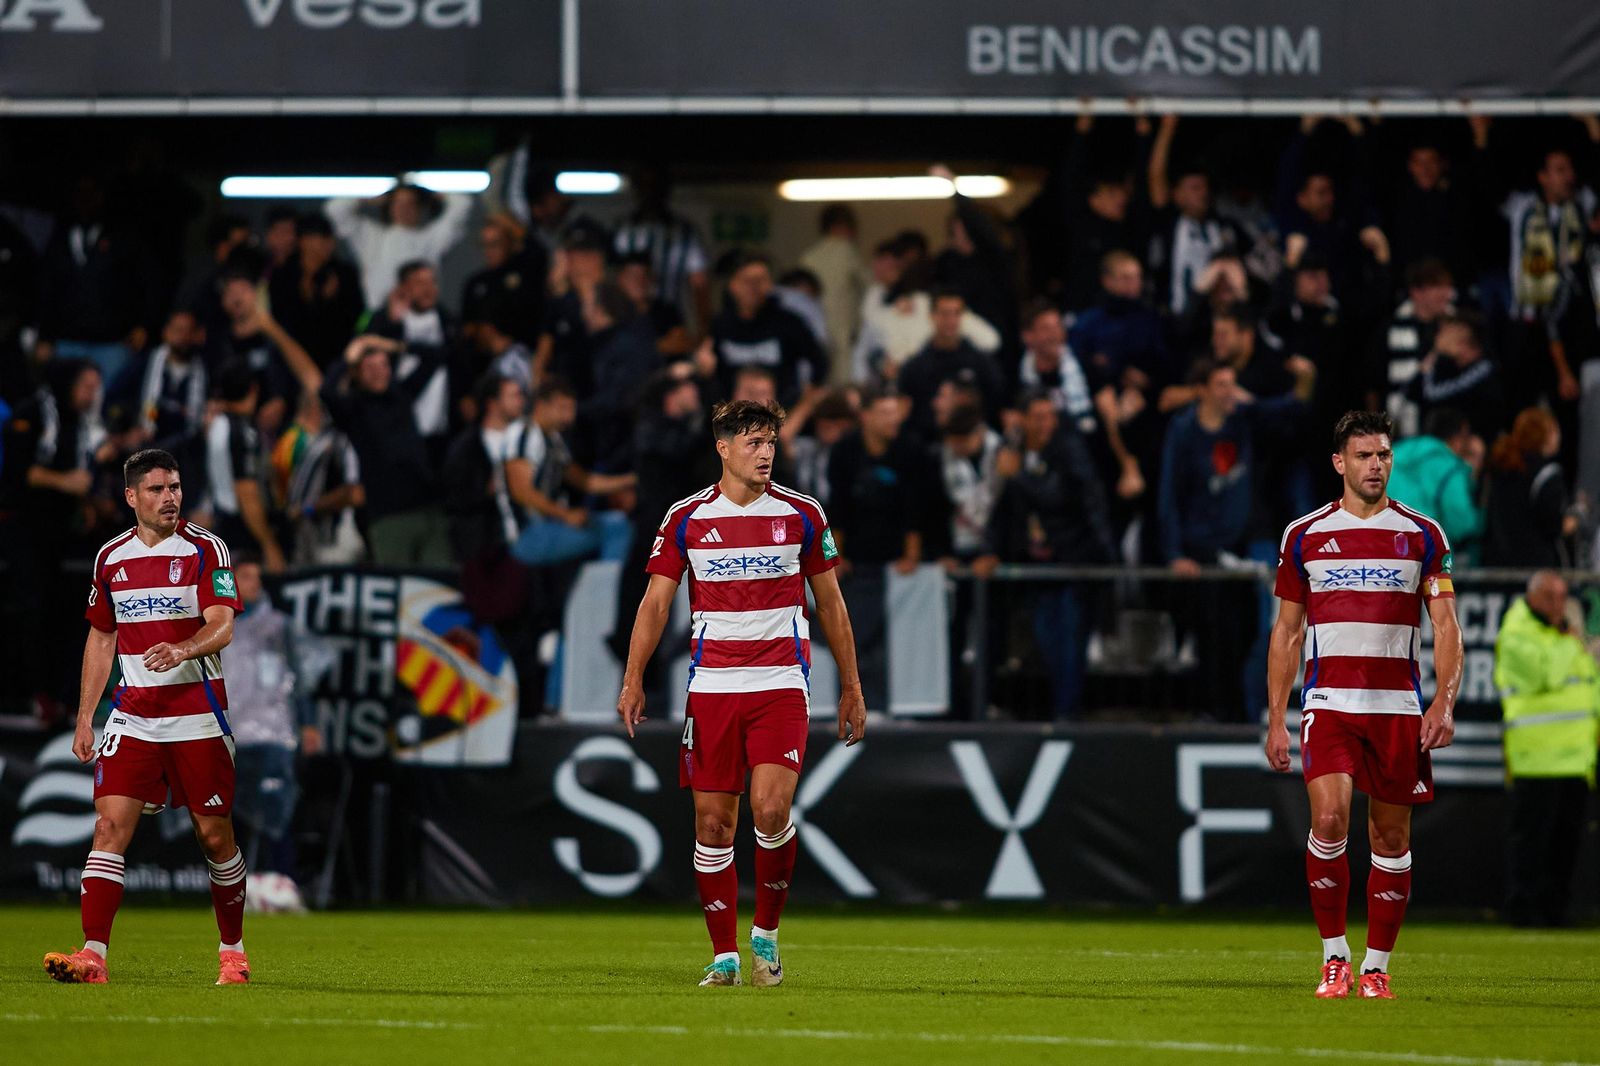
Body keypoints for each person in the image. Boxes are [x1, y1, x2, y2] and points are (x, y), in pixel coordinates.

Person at [616, 399, 866, 988]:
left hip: (781, 682)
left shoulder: (803, 513)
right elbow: (655, 603)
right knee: (712, 826)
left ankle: (767, 936)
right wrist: (633, 678)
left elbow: (830, 603)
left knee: (772, 810)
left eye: (771, 442)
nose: (766, 453)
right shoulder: (687, 518)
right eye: (754, 443)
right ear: (723, 449)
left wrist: (851, 687)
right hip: (712, 688)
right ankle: (724, 954)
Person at [1266, 410, 1463, 1001]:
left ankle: (1377, 966)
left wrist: (1444, 703)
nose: (1376, 465)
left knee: (1391, 839)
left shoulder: (1424, 535)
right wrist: (1276, 717)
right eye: (1364, 456)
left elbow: (1446, 626)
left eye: (1383, 455)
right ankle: (1335, 957)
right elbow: (1287, 632)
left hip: (1397, 706)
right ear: (1340, 463)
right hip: (1328, 703)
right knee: (1327, 822)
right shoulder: (1304, 535)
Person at [43, 448, 250, 985]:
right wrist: (86, 715)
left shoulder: (207, 548)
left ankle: (233, 950)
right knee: (108, 827)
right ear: (131, 497)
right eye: (157, 490)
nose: (170, 498)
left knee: (213, 838)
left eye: (176, 487)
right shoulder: (110, 558)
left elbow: (222, 623)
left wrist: (183, 650)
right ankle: (93, 955)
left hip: (198, 715)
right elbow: (102, 634)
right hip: (133, 712)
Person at [991, 390, 1115, 718]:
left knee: (1069, 645)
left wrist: (1016, 477)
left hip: (1072, 564)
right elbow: (1001, 511)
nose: (1046, 424)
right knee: (1047, 642)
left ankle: (1068, 717)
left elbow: (1058, 497)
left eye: (1051, 416)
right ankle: (1060, 712)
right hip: (1038, 567)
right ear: (1024, 419)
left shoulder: (1068, 450)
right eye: (1038, 416)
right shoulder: (1015, 452)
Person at [1494, 570, 1600, 928]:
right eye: (1553, 597)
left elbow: (1589, 684)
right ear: (1534, 596)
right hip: (1534, 758)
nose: (1562, 606)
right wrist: (1571, 641)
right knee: (1530, 843)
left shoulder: (1558, 635)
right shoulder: (1516, 632)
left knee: (1565, 843)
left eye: (1564, 597)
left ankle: (1556, 912)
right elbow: (1546, 675)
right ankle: (1521, 910)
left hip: (1576, 758)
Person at [224, 554, 322, 913]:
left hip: (273, 735)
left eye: (256, 576)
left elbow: (301, 679)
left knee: (276, 813)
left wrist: (308, 724)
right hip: (228, 736)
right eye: (246, 576)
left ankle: (283, 887)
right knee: (225, 821)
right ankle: (235, 895)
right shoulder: (217, 625)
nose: (255, 583)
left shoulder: (280, 626)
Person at [320, 334, 452, 568]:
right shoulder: (353, 410)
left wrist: (394, 344)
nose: (379, 372)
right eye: (369, 367)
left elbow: (436, 356)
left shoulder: (401, 395)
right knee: (399, 587)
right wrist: (349, 356)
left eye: (383, 364)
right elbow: (327, 392)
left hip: (427, 507)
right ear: (356, 373)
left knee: (438, 584)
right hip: (388, 516)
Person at [702, 252, 828, 409]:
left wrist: (799, 413)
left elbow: (819, 365)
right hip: (735, 418)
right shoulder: (721, 325)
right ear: (732, 285)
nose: (754, 288)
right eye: (747, 281)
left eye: (761, 281)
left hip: (782, 414)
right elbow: (714, 373)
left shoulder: (788, 322)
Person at [325, 183, 473, 311]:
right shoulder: (371, 236)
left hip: (420, 317)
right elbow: (334, 209)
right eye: (398, 203)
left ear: (420, 207)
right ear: (389, 206)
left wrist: (430, 195)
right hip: (380, 317)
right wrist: (371, 199)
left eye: (411, 203)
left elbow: (463, 203)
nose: (404, 209)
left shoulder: (431, 238)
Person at [205, 360, 287, 574]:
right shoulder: (240, 432)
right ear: (254, 389)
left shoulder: (219, 424)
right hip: (243, 534)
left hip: (224, 525)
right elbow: (246, 492)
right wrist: (269, 544)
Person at [897, 289, 1006, 438]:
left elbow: (995, 401)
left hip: (972, 441)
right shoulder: (915, 367)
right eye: (945, 314)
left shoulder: (981, 363)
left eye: (956, 313)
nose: (951, 320)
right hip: (928, 445)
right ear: (932, 316)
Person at [1387, 408, 1485, 568]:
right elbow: (1462, 524)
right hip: (1427, 565)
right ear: (1459, 437)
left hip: (1380, 555)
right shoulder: (1450, 467)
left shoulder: (1390, 456)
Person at [1482, 407, 1577, 569]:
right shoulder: (1546, 473)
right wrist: (1577, 518)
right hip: (1537, 571)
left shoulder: (1498, 468)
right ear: (1545, 435)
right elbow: (1553, 526)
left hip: (1497, 566)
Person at [266, 214, 364, 369]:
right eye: (322, 239)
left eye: (331, 239)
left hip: (336, 356)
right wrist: (307, 294)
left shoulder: (344, 273)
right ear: (304, 241)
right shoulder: (283, 274)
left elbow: (358, 316)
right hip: (293, 357)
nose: (329, 245)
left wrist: (331, 300)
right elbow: (279, 317)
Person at [798, 205, 869, 384]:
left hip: (814, 327)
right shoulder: (847, 250)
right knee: (842, 382)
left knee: (818, 380)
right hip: (844, 329)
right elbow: (869, 285)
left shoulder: (808, 257)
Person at [1409, 312, 1506, 443]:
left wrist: (1436, 354)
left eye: (1447, 334)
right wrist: (1434, 355)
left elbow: (1431, 397)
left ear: (1464, 341)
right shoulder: (1450, 367)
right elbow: (1412, 393)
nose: (1439, 338)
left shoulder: (1484, 373)